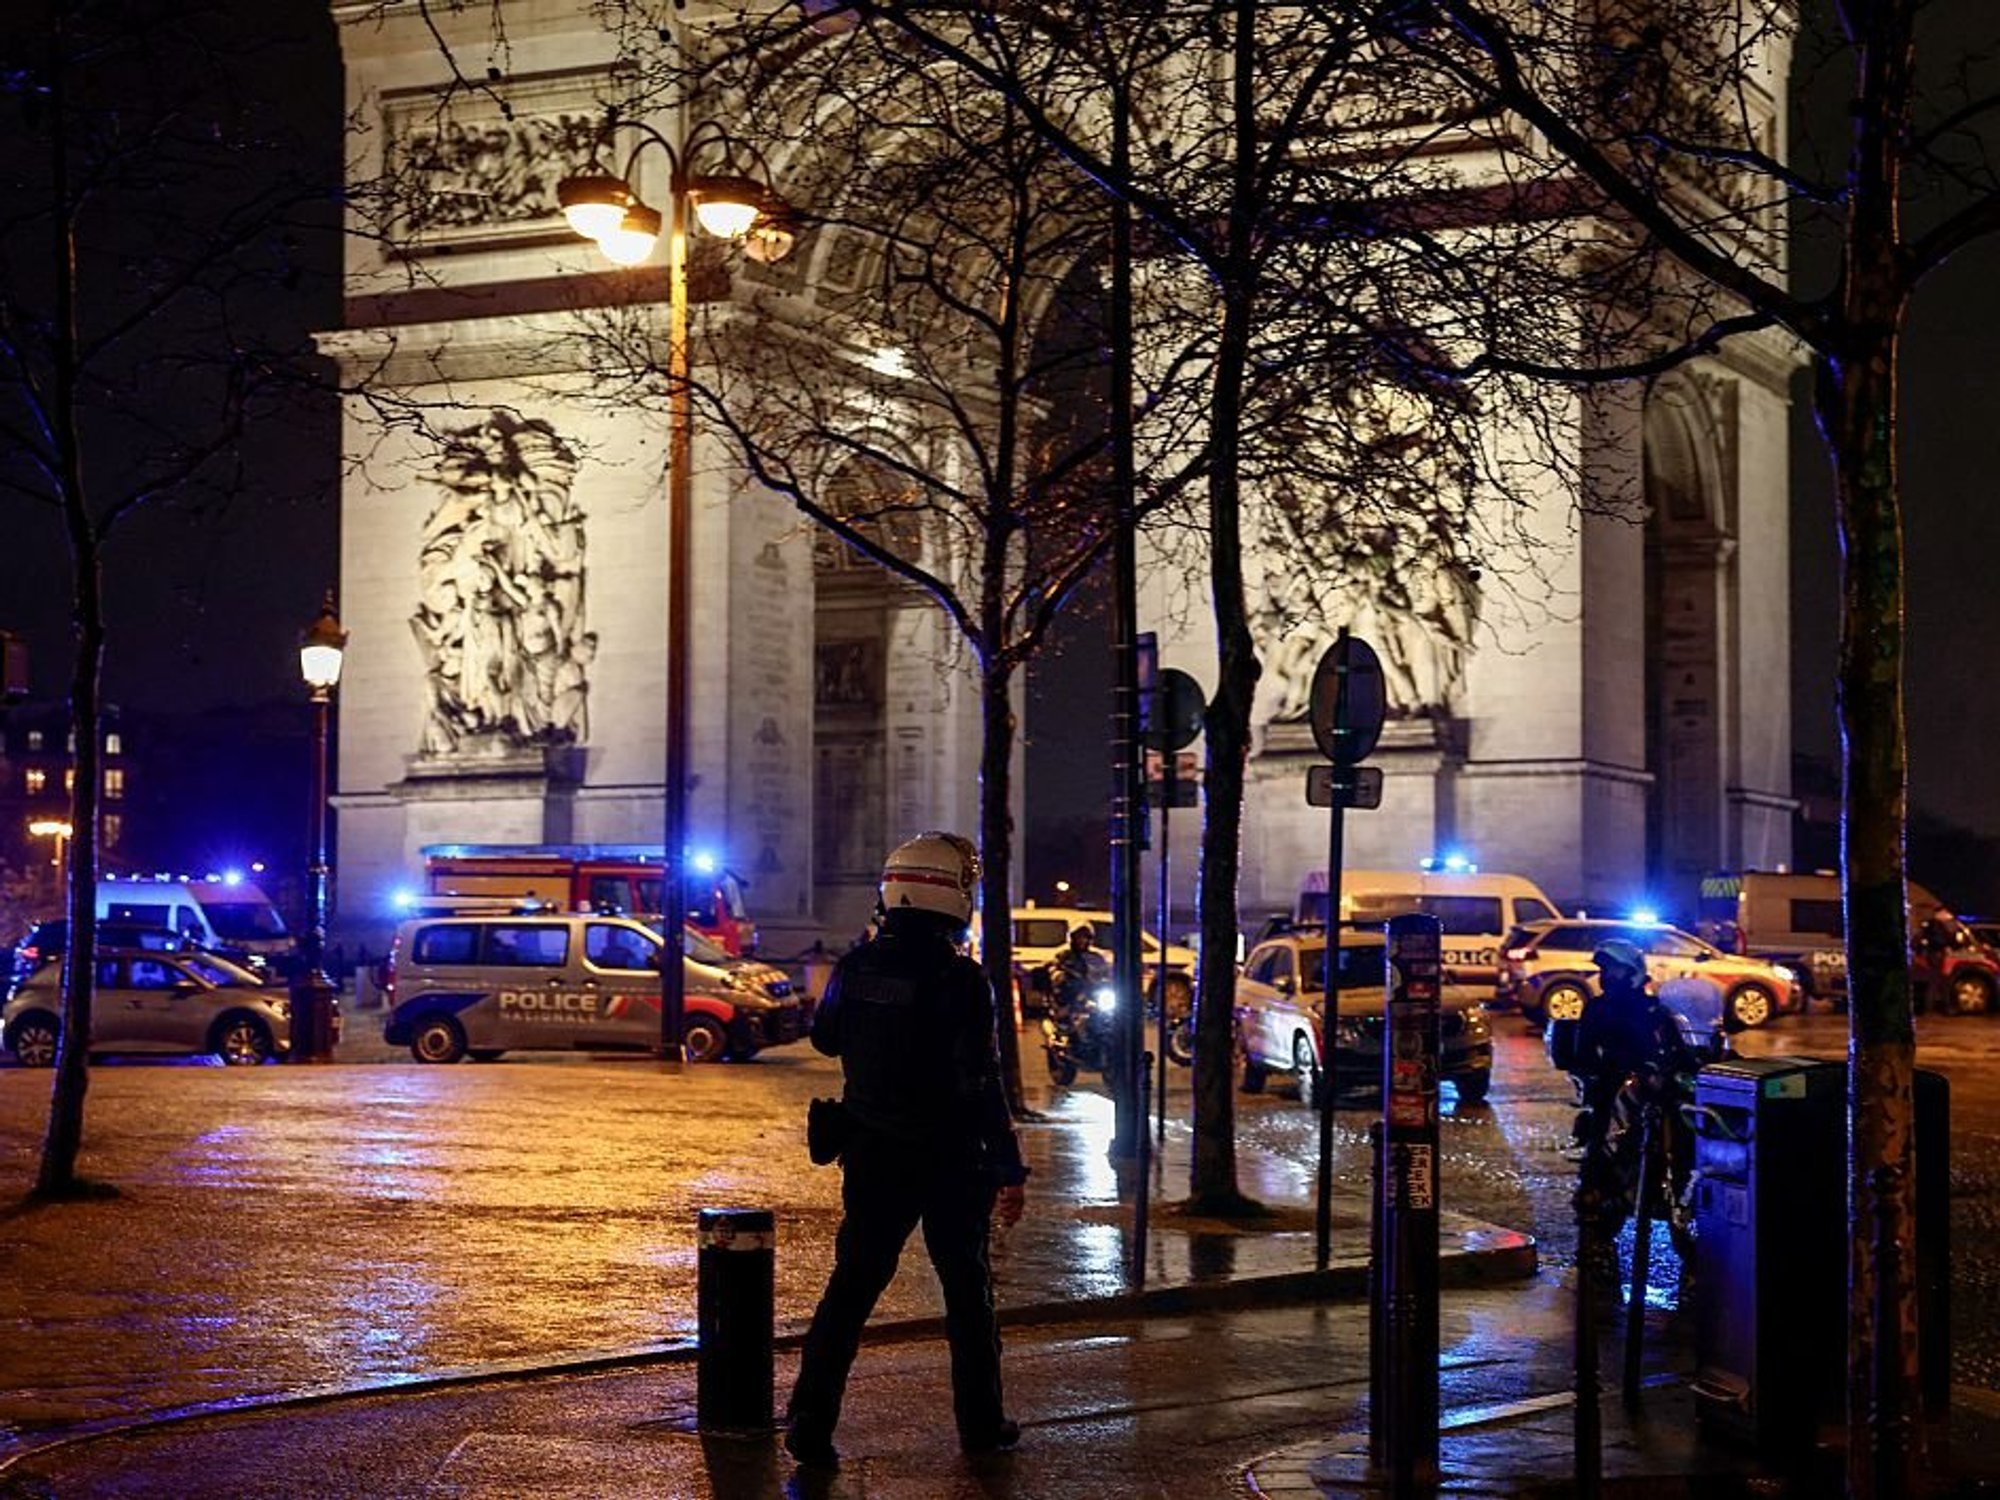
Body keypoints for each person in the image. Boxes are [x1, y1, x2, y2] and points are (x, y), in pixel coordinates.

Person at [785, 832, 1029, 1472]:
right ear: (954, 897)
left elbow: (825, 1041)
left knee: (851, 1290)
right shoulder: (962, 978)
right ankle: (980, 1424)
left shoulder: (856, 967)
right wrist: (1008, 1166)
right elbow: (982, 1080)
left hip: (873, 1153)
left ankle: (809, 1423)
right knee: (967, 1294)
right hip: (952, 1158)